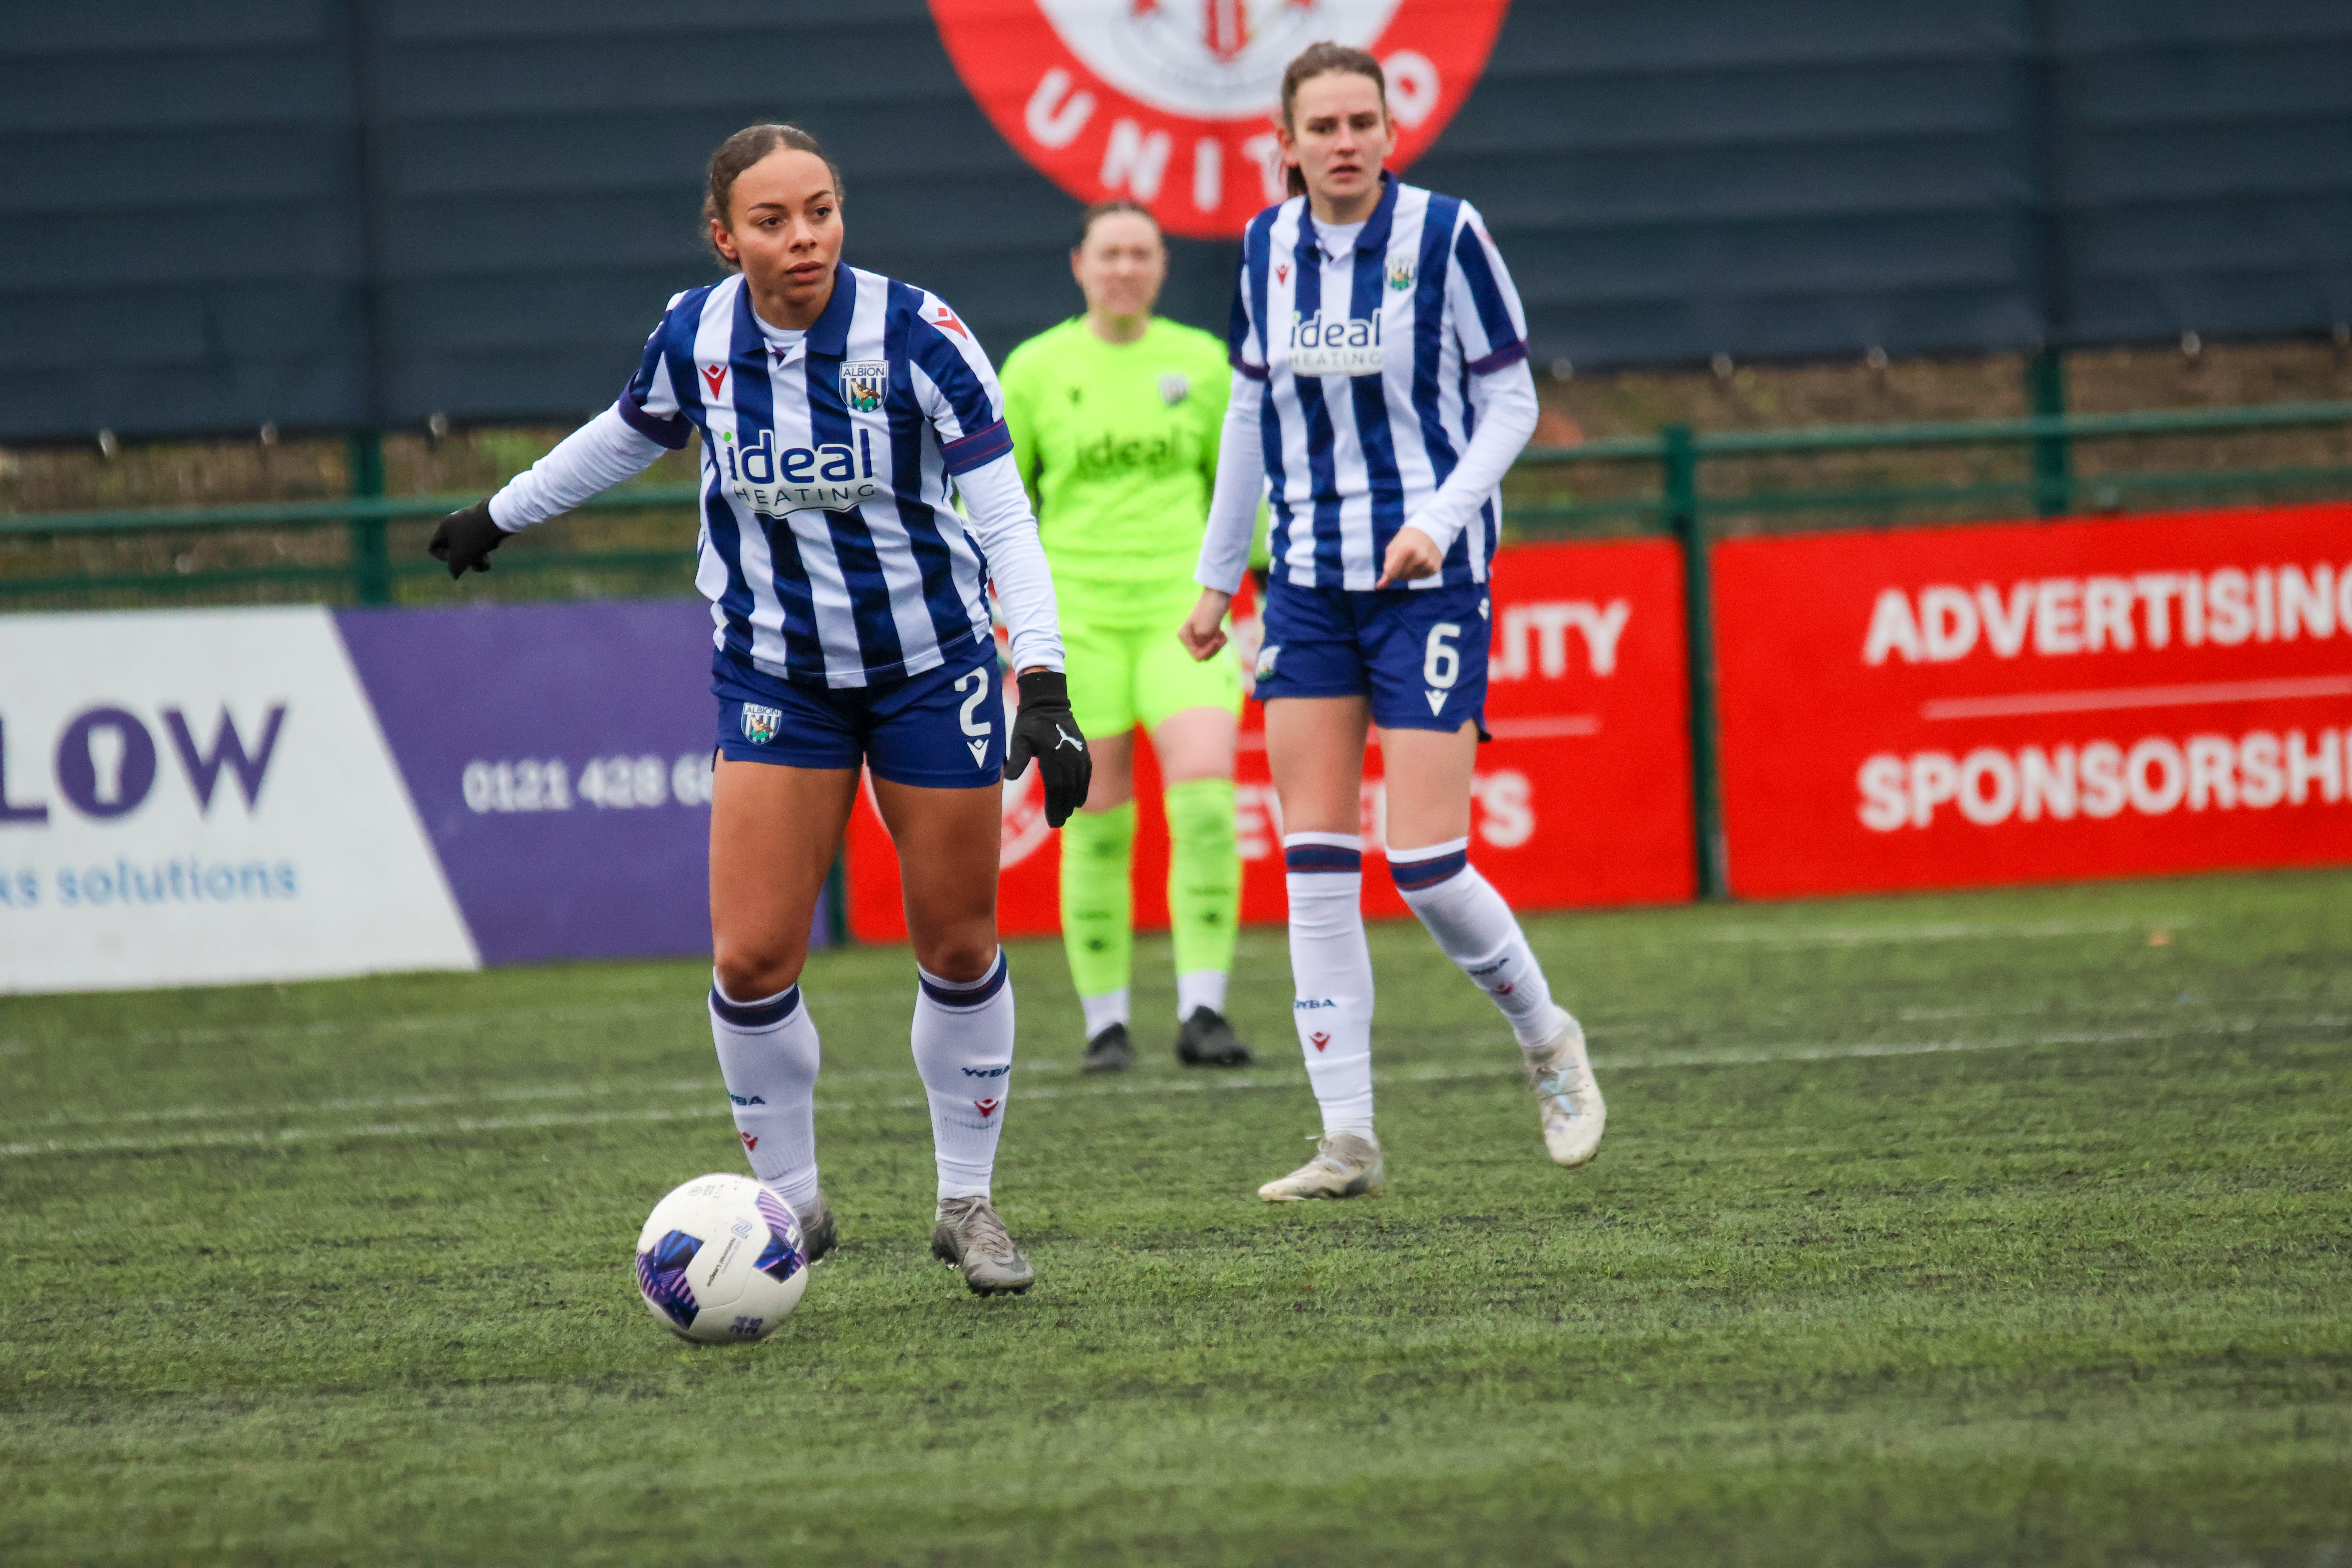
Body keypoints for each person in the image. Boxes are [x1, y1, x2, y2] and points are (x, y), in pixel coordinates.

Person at [427, 123, 1091, 1293]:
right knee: (748, 958)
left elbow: (1004, 517)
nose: (804, 240)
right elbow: (625, 435)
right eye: (774, 222)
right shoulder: (698, 335)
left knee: (957, 941)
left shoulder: (920, 334)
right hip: (777, 674)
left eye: (821, 211)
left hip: (931, 670)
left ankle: (966, 1206)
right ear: (725, 237)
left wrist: (1042, 678)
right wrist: (503, 512)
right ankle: (788, 1203)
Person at [1180, 45, 1604, 1201]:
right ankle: (1348, 1141)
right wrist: (1221, 583)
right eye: (1324, 126)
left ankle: (1546, 1039)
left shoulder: (1448, 236)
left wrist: (1439, 516)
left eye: (1363, 120)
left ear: (1389, 129)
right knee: (1316, 868)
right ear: (1288, 141)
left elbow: (1513, 397)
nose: (1347, 141)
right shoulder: (1267, 249)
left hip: (1432, 583)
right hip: (1307, 588)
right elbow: (1251, 421)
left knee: (1422, 861)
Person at [999, 201, 1254, 1076]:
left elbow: (1240, 493)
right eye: (1109, 253)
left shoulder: (1202, 363)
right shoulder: (1035, 369)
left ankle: (1203, 1013)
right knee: (1097, 827)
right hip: (1080, 627)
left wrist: (1245, 590)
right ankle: (1107, 1026)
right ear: (1080, 264)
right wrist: (1015, 618)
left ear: (1160, 264)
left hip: (1183, 623)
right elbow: (997, 502)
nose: (1124, 268)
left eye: (1140, 253)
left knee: (1208, 809)